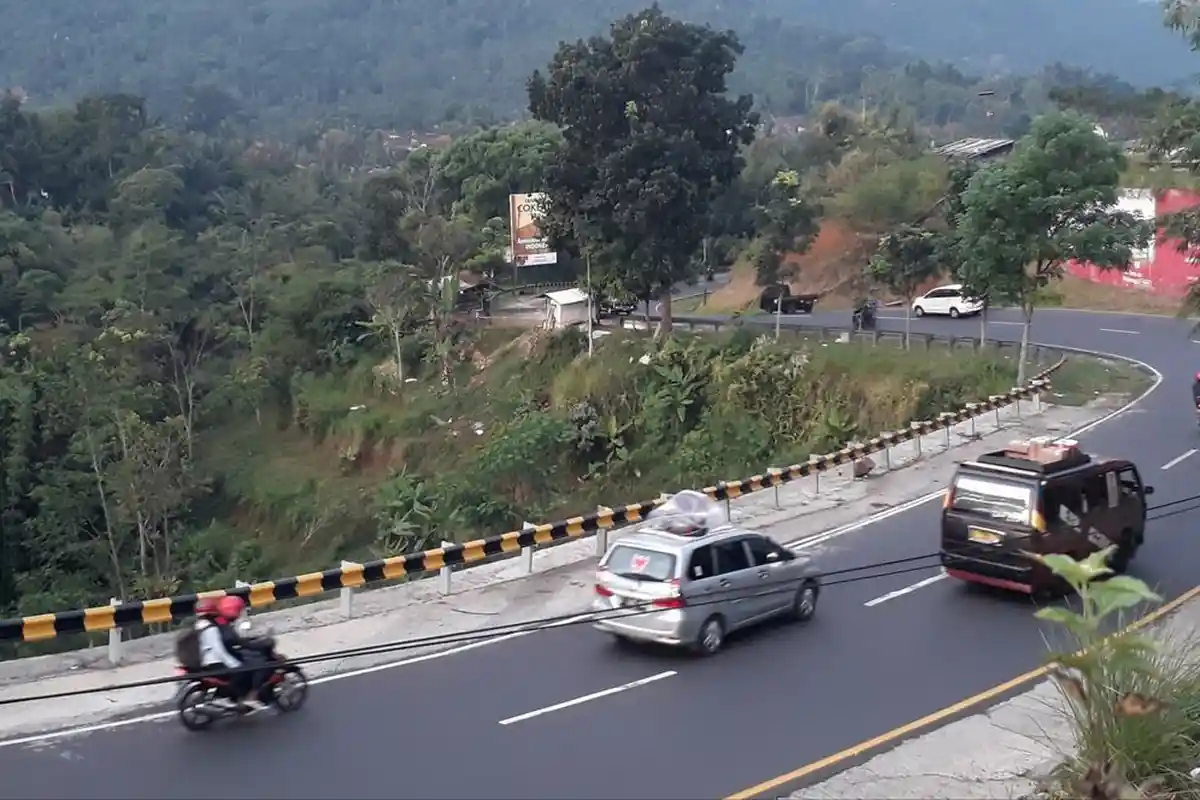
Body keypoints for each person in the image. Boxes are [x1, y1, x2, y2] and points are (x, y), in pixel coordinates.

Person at [200, 596, 269, 709]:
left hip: (213, 657)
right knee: (260, 665)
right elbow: (231, 644)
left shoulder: (216, 623)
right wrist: (257, 644)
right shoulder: (221, 627)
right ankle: (251, 697)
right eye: (239, 610)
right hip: (218, 659)